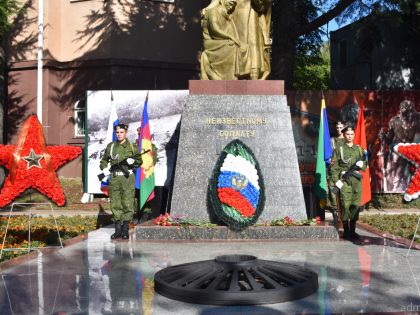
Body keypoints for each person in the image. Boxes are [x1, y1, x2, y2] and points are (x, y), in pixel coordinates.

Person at [100, 124, 143, 240]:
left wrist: (131, 163)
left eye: (121, 132)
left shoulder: (132, 147)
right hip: (114, 179)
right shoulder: (111, 146)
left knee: (128, 204)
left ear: (126, 133)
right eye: (117, 133)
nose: (119, 134)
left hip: (127, 178)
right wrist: (104, 168)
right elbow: (104, 160)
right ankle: (117, 230)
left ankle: (125, 230)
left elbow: (139, 161)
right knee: (115, 204)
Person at [330, 127, 367, 239]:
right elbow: (333, 167)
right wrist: (337, 181)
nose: (350, 136)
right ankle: (346, 230)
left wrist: (362, 165)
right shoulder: (339, 149)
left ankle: (353, 230)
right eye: (347, 134)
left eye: (351, 134)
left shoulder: (359, 150)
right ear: (344, 135)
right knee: (345, 205)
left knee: (356, 205)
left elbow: (365, 164)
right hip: (344, 182)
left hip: (356, 182)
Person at [201, 0, 251, 80]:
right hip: (211, 42)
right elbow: (215, 30)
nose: (231, 7)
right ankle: (225, 74)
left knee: (245, 46)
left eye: (233, 6)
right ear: (222, 1)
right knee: (233, 46)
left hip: (222, 40)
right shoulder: (213, 12)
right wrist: (231, 38)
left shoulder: (227, 16)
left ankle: (242, 74)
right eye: (230, 4)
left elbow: (231, 31)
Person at [378, 100, 420, 191]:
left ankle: (411, 184)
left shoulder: (418, 120)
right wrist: (384, 137)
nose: (408, 115)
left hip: (413, 148)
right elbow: (389, 139)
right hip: (397, 149)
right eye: (404, 112)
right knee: (397, 158)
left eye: (409, 112)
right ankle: (397, 184)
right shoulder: (395, 121)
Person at [136, 126, 158, 224]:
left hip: (146, 174)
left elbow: (154, 160)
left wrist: (144, 169)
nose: (140, 135)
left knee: (145, 195)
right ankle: (138, 214)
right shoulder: (134, 146)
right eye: (139, 134)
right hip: (135, 175)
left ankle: (146, 214)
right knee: (136, 196)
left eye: (142, 133)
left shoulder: (151, 146)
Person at [327, 122, 346, 223]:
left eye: (340, 128)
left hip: (344, 170)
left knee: (344, 192)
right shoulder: (331, 140)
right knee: (332, 192)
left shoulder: (348, 140)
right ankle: (335, 216)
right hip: (334, 169)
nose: (339, 130)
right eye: (337, 128)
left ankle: (344, 216)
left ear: (344, 128)